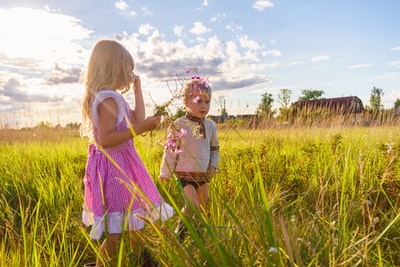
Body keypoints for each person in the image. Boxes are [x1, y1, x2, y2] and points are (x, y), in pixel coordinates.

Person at [80, 39, 174, 266]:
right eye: (128, 68)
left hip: (121, 166)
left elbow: (138, 119)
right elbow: (104, 139)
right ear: (115, 67)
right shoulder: (108, 98)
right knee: (116, 233)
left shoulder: (114, 97)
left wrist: (138, 91)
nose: (131, 74)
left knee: (134, 222)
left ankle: (141, 260)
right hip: (115, 169)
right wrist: (141, 129)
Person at [159, 76, 220, 240]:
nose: (204, 106)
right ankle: (180, 234)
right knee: (192, 204)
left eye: (207, 102)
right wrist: (165, 173)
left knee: (203, 207)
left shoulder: (210, 126)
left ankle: (197, 237)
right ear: (186, 102)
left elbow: (215, 149)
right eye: (199, 101)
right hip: (184, 174)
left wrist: (213, 166)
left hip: (203, 175)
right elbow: (170, 151)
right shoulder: (178, 125)